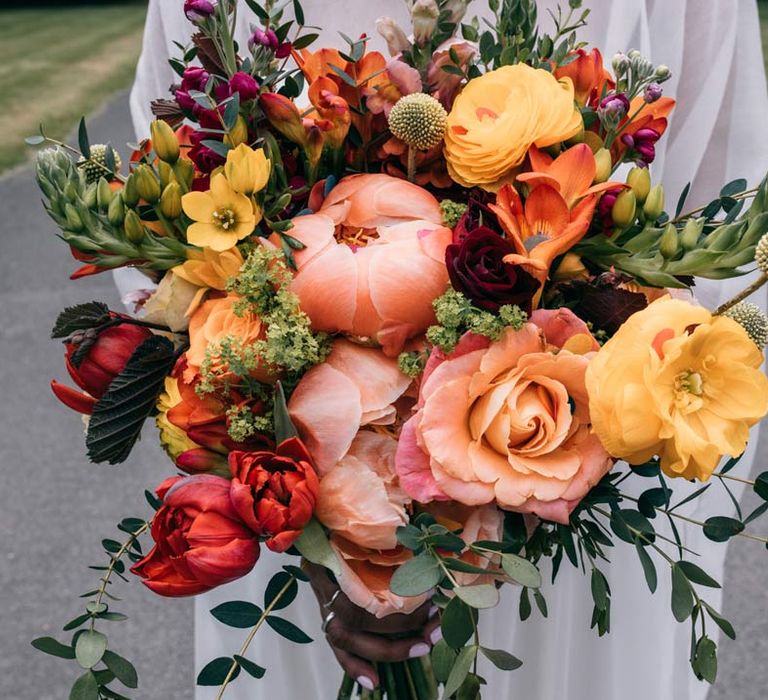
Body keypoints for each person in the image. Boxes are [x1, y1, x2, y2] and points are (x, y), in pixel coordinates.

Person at [124, 1, 768, 698]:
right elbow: (158, 265)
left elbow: (724, 249)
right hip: (303, 531)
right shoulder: (203, 15)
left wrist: (538, 473)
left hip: (575, 511)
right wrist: (316, 533)